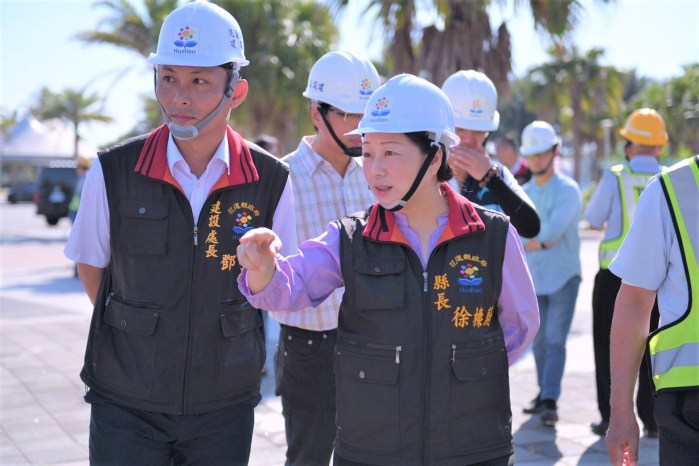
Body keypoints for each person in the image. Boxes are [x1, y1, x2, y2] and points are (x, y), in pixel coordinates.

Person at [237, 73, 539, 465]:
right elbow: (291, 285)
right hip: (373, 449)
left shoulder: (493, 235)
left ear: (435, 157)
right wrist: (263, 268)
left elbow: (519, 326)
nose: (374, 170)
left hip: (473, 448)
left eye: (391, 153)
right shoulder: (350, 237)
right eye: (368, 153)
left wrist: (465, 370)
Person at [63, 1, 297, 464]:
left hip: (224, 404)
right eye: (168, 78)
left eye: (199, 81)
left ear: (236, 90)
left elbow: (280, 286)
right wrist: (142, 332)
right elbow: (91, 265)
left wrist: (263, 271)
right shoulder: (113, 170)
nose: (179, 98)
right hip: (125, 401)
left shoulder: (272, 180)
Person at [269, 50, 379, 466]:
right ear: (317, 113)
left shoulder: (377, 176)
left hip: (372, 340)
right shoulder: (281, 178)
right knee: (309, 457)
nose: (358, 126)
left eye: (365, 115)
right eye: (348, 114)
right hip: (308, 348)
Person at [606, 155, 699, 465]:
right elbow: (635, 301)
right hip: (690, 403)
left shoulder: (673, 187)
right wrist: (621, 411)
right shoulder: (671, 189)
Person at [584, 108, 667, 438]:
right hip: (661, 279)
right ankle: (653, 420)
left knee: (609, 346)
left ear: (629, 145)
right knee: (653, 348)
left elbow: (593, 218)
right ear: (660, 146)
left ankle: (610, 417)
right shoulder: (671, 178)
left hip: (614, 276)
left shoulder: (615, 176)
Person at [518, 120, 582, 427]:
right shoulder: (522, 192)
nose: (536, 160)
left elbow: (551, 233)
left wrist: (533, 240)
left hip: (563, 277)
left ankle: (550, 400)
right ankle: (544, 392)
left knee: (555, 339)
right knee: (539, 341)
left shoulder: (569, 190)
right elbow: (521, 237)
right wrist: (538, 241)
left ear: (555, 152)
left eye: (541, 153)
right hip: (535, 278)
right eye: (531, 155)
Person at [441, 70, 540, 238]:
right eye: (461, 129)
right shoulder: (425, 172)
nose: (469, 140)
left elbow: (531, 228)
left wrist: (491, 179)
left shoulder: (497, 173)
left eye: (478, 131)